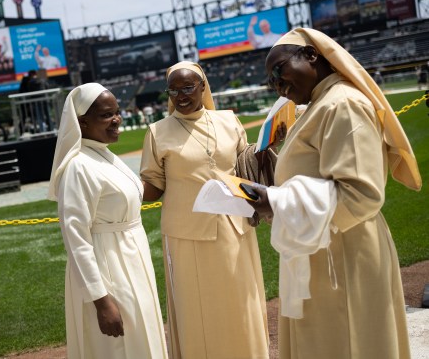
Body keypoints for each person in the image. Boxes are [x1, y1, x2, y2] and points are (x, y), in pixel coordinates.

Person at [248, 27, 422, 359]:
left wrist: (278, 201)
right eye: (270, 82)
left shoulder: (342, 104)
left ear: (311, 55)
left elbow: (361, 195)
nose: (277, 85)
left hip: (345, 251)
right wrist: (275, 199)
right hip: (324, 247)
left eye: (278, 71)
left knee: (349, 342)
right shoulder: (319, 103)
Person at [140, 60, 280, 359]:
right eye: (174, 90)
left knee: (239, 302)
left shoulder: (229, 120)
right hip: (186, 234)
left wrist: (270, 144)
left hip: (234, 225)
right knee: (197, 309)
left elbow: (247, 164)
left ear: (203, 87)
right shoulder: (158, 132)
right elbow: (153, 184)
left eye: (188, 87)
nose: (181, 96)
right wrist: (121, 187)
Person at [48, 83, 168, 359]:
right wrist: (101, 301)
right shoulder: (78, 166)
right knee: (118, 348)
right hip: (108, 268)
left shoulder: (104, 154)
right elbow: (76, 239)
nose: (116, 120)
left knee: (142, 336)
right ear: (82, 122)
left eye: (117, 112)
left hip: (131, 259)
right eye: (106, 115)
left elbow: (139, 191)